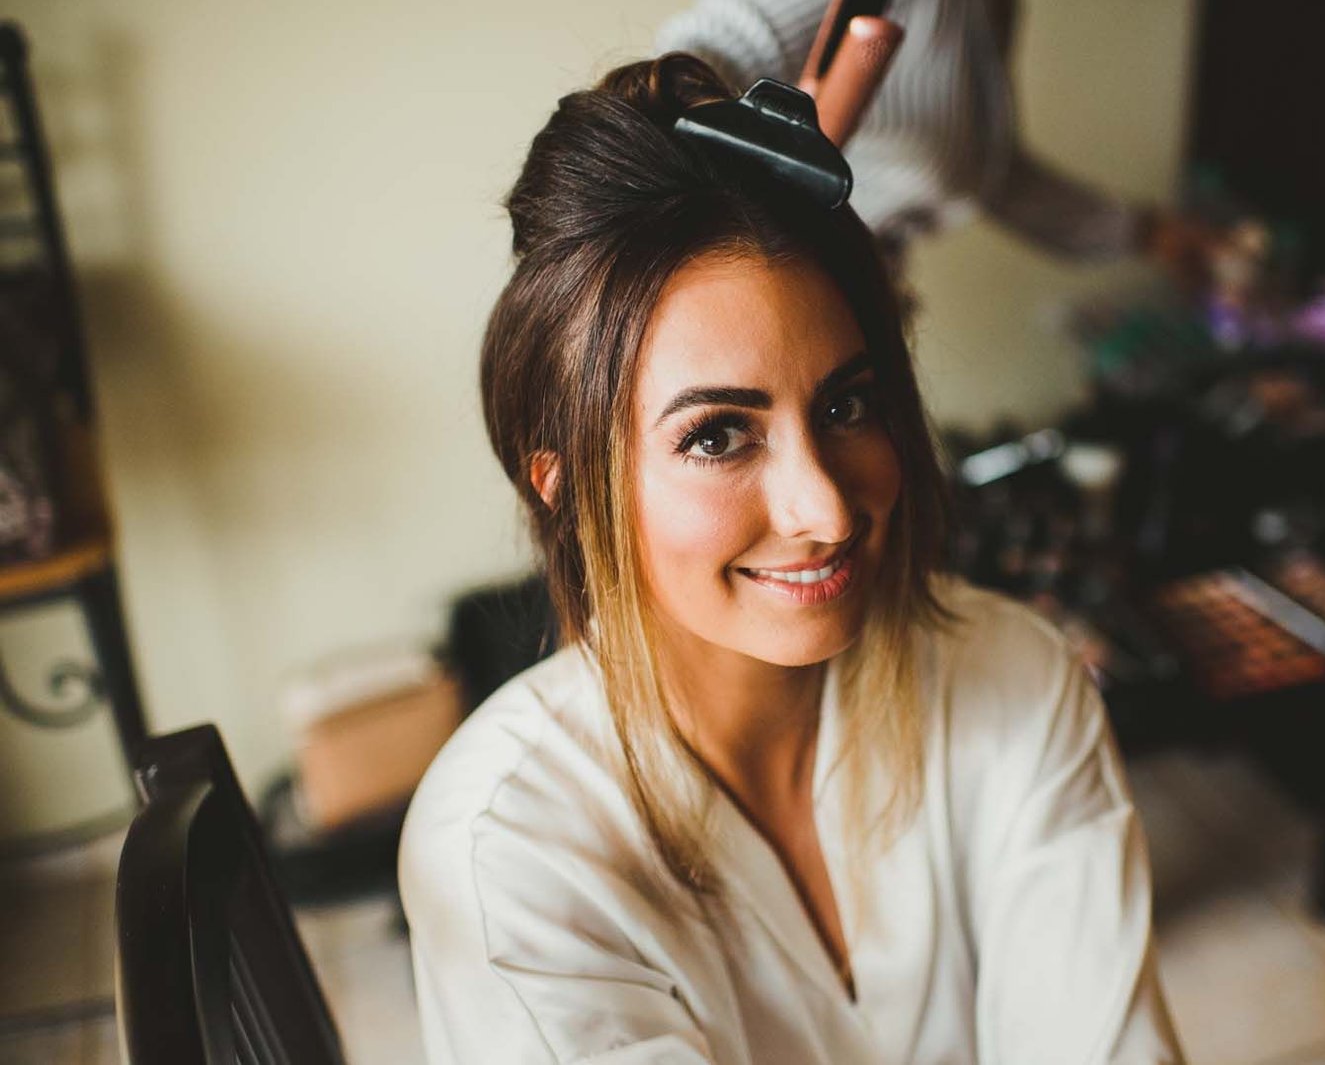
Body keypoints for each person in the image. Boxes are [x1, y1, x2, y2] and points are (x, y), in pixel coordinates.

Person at [399, 53, 1183, 1064]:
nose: (826, 510)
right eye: (717, 435)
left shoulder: (1016, 683)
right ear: (562, 487)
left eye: (846, 405)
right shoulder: (505, 848)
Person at [656, 0, 1199, 273]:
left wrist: (1147, 235)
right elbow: (701, 54)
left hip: (872, 285)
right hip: (802, 283)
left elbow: (987, 168)